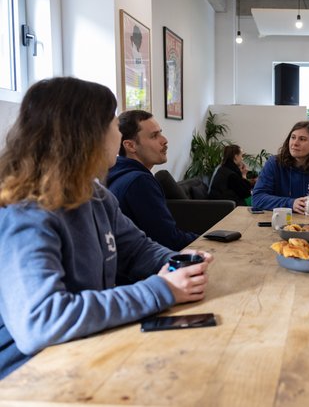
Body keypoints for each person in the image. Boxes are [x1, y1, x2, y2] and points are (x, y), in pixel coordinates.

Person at [0, 77, 211, 379]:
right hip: (27, 375)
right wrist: (160, 291)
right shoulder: (25, 212)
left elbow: (138, 250)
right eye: (113, 123)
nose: (118, 130)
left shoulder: (97, 195)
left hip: (85, 347)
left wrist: (179, 261)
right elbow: (40, 322)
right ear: (85, 135)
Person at [107, 110, 198, 250]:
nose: (164, 140)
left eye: (160, 133)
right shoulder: (139, 182)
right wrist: (204, 239)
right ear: (130, 146)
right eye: (154, 136)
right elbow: (168, 240)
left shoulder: (116, 175)